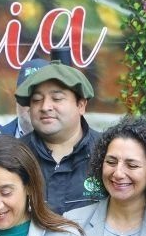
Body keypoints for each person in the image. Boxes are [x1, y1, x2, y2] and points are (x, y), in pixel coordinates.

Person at [15, 59, 102, 213]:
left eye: (57, 99)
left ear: (81, 105)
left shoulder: (106, 152)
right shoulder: (15, 156)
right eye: (36, 100)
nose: (45, 107)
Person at [0, 58, 49, 138]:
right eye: (28, 94)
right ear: (17, 97)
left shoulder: (72, 143)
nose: (44, 107)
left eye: (55, 98)